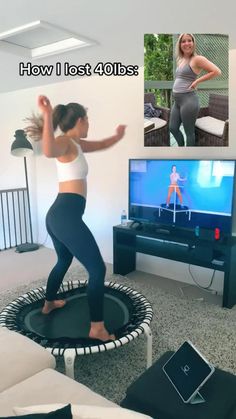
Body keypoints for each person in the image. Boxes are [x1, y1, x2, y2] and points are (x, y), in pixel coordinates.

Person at [25, 95, 126, 342]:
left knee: (63, 259)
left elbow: (101, 144)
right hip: (65, 215)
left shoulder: (77, 144)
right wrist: (47, 115)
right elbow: (48, 150)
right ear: (81, 120)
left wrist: (117, 136)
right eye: (88, 119)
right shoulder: (64, 142)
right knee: (98, 268)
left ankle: (49, 303)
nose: (89, 123)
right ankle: (97, 328)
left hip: (60, 214)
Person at [170, 33, 221, 147]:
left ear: (193, 43)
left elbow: (216, 71)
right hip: (177, 101)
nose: (187, 43)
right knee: (173, 128)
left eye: (189, 40)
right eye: (183, 41)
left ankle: (188, 156)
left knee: (189, 133)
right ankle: (181, 149)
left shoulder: (197, 59)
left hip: (189, 100)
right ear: (180, 44)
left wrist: (197, 81)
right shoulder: (181, 59)